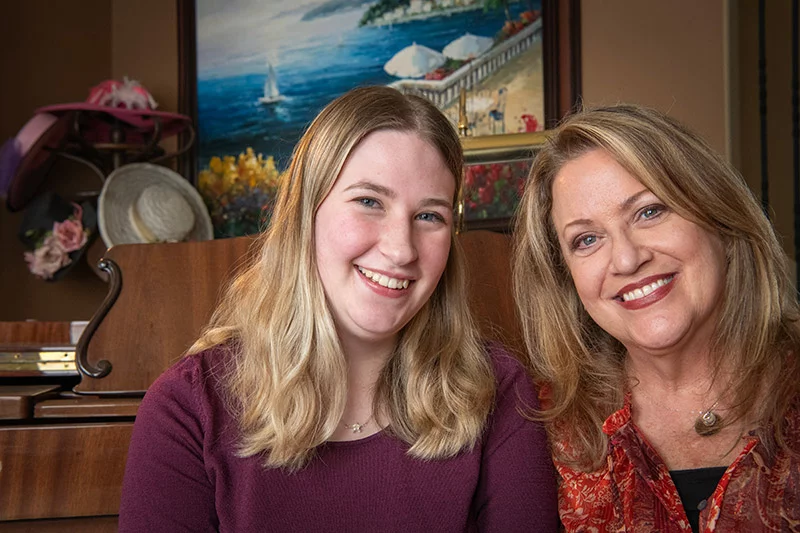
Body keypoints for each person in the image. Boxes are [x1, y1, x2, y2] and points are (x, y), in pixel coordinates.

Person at [119, 86, 557, 532]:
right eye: (369, 202)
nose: (401, 249)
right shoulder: (186, 409)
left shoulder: (500, 392)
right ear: (305, 213)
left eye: (430, 216)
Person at [513, 104, 800, 532]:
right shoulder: (537, 429)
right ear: (566, 277)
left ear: (717, 215)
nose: (627, 259)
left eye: (649, 212)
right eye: (587, 239)